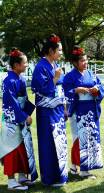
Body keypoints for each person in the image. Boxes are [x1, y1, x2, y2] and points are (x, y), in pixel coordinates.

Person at [31, 34, 68, 186]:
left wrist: (65, 108)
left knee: (59, 142)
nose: (61, 53)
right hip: (46, 112)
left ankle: (60, 176)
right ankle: (49, 178)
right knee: (48, 143)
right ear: (51, 51)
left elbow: (61, 90)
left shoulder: (53, 66)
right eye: (59, 50)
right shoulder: (41, 66)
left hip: (58, 111)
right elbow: (41, 89)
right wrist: (55, 78)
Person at [63, 46, 104, 178]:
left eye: (86, 61)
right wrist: (76, 90)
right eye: (82, 61)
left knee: (90, 137)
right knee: (79, 138)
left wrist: (96, 90)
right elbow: (65, 92)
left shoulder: (91, 74)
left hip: (91, 109)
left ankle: (76, 167)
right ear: (75, 63)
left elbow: (100, 86)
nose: (85, 63)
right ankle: (83, 170)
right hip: (78, 110)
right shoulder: (69, 77)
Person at [0, 48, 35, 190]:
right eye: (25, 63)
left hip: (20, 117)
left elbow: (24, 99)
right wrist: (24, 116)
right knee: (11, 149)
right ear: (16, 65)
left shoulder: (19, 78)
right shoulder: (9, 80)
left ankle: (22, 176)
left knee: (23, 147)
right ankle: (11, 181)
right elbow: (11, 103)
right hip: (11, 120)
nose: (27, 65)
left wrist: (27, 113)